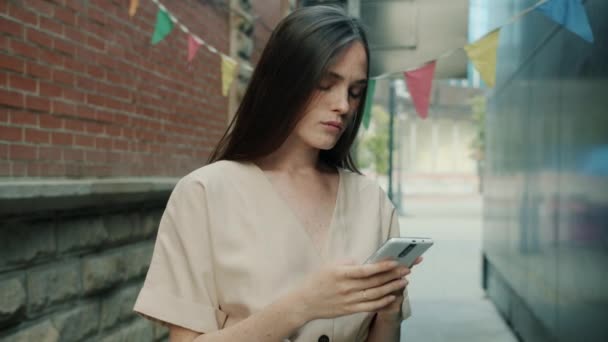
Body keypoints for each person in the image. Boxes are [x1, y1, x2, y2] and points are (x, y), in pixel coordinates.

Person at [133, 5, 422, 342]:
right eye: (326, 84)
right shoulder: (204, 194)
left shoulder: (371, 202)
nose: (343, 105)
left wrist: (388, 312)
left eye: (355, 92)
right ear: (283, 81)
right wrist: (302, 306)